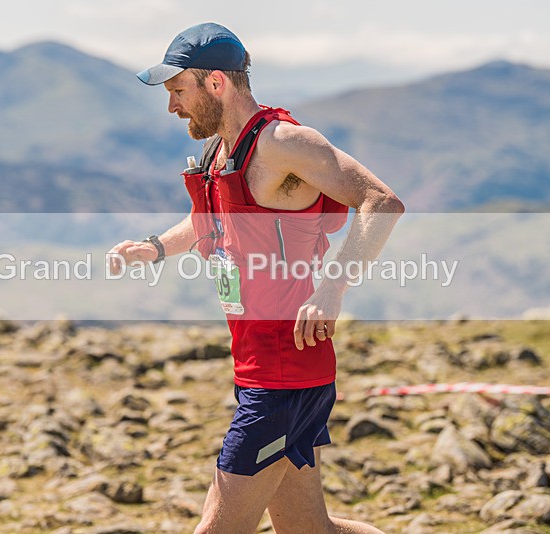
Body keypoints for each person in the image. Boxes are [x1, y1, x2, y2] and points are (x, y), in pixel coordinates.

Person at [108, 23, 403, 533]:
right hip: (259, 366)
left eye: (178, 91)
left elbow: (382, 203)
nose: (172, 107)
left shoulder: (284, 143)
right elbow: (209, 224)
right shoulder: (221, 154)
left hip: (285, 375)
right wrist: (155, 248)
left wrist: (332, 286)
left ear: (216, 83)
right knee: (311, 530)